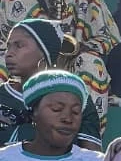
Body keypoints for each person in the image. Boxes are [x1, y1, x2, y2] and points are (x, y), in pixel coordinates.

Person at [0, 20, 101, 149]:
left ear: (44, 53)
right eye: (8, 46)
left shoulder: (77, 99)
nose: (9, 53)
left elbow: (92, 158)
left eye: (19, 46)